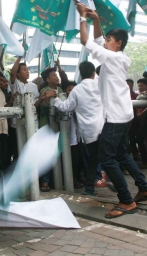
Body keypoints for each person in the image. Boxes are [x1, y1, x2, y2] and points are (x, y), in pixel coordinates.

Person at [77, 3, 147, 218]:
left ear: (118, 43)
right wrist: (96, 20)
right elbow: (98, 40)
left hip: (115, 116)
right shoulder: (117, 56)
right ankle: (144, 186)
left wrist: (83, 17)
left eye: (110, 40)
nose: (106, 42)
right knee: (120, 153)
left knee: (107, 158)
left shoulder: (111, 57)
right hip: (123, 114)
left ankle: (126, 201)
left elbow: (86, 41)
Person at [55, 61, 104, 196]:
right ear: (94, 72)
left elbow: (66, 107)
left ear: (81, 74)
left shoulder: (77, 90)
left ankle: (90, 188)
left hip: (88, 132)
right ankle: (123, 187)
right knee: (109, 158)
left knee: (93, 159)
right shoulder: (101, 85)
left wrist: (55, 99)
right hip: (104, 127)